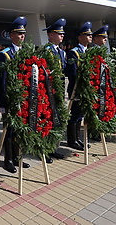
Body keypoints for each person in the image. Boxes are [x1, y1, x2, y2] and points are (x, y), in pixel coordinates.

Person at [0, 17, 30, 173]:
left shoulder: (27, 52)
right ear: (11, 35)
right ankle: (8, 160)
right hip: (10, 99)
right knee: (9, 131)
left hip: (24, 99)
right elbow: (1, 80)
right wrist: (2, 103)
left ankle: (17, 157)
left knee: (20, 129)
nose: (22, 36)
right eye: (18, 33)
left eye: (23, 33)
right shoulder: (5, 54)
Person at [43, 19, 68, 161]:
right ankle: (45, 149)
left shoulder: (62, 52)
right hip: (49, 91)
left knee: (56, 120)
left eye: (62, 34)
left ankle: (53, 147)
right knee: (48, 120)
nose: (62, 36)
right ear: (51, 35)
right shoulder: (47, 51)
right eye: (59, 33)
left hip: (58, 91)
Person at [65, 22, 93, 151]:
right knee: (75, 114)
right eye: (87, 35)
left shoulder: (89, 51)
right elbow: (72, 73)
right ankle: (72, 140)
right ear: (80, 37)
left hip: (86, 90)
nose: (90, 37)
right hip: (77, 89)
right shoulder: (74, 53)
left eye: (91, 35)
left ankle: (77, 138)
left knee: (80, 115)